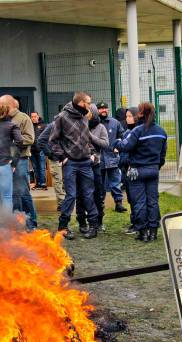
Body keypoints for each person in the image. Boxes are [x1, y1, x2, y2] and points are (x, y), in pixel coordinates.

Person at [113, 102, 167, 242]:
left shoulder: (137, 131)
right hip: (153, 170)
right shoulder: (161, 132)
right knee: (153, 201)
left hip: (137, 170)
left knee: (139, 202)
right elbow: (162, 154)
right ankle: (153, 232)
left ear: (141, 113)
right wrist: (157, 165)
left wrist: (116, 142)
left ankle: (143, 232)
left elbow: (126, 146)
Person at [49, 91, 99, 240]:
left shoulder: (85, 116)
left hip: (85, 162)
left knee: (88, 194)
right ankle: (63, 227)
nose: (90, 105)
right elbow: (52, 141)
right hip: (70, 162)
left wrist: (91, 153)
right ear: (81, 103)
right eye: (88, 103)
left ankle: (93, 226)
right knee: (70, 195)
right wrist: (63, 157)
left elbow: (86, 138)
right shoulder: (62, 117)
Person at [76, 104, 109, 234]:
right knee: (80, 195)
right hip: (80, 164)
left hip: (95, 165)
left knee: (97, 194)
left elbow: (105, 144)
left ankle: (98, 222)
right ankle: (82, 222)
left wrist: (90, 136)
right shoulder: (77, 125)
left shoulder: (100, 127)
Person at [9, 98, 37, 230]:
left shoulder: (23, 118)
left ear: (12, 105)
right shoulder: (5, 119)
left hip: (20, 159)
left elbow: (30, 138)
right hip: (8, 161)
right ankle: (18, 223)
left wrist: (12, 140)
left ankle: (31, 223)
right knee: (14, 193)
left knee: (23, 192)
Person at [97, 102, 127, 213]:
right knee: (99, 184)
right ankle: (100, 205)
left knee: (115, 182)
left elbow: (122, 136)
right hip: (99, 159)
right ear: (97, 110)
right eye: (101, 109)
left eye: (105, 108)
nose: (103, 110)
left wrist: (118, 147)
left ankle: (118, 203)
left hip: (112, 158)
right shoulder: (93, 123)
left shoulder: (115, 123)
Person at [38, 121, 66, 210]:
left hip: (67, 157)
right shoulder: (53, 125)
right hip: (55, 158)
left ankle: (67, 202)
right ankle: (62, 203)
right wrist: (50, 153)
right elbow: (41, 140)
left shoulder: (70, 124)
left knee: (67, 181)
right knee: (58, 180)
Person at [121, 107, 139, 234]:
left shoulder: (138, 132)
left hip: (134, 169)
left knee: (136, 198)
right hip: (126, 170)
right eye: (126, 116)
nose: (127, 119)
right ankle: (134, 221)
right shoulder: (126, 132)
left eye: (130, 116)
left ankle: (138, 223)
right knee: (131, 198)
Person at [29, 112, 48, 190]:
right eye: (32, 117)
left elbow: (47, 137)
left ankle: (43, 183)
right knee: (35, 168)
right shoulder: (29, 126)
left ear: (38, 117)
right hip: (32, 150)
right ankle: (38, 183)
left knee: (42, 167)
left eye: (35, 116)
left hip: (41, 150)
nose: (33, 118)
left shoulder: (43, 125)